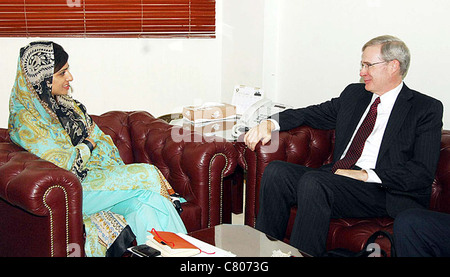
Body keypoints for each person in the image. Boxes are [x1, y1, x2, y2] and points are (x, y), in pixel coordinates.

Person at [244, 35, 443, 256]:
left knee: (315, 181)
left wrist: (367, 175)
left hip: (382, 190)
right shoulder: (354, 95)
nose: (362, 72)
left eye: (368, 65)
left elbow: (421, 173)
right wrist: (270, 122)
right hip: (339, 179)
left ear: (393, 66)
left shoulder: (425, 109)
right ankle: (261, 255)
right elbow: (312, 113)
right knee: (277, 172)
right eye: (362, 64)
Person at [8, 41, 187, 257]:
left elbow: (101, 140)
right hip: (73, 191)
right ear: (42, 79)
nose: (70, 78)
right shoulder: (27, 119)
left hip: (96, 180)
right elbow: (64, 163)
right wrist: (88, 145)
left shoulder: (68, 107)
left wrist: (91, 146)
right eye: (62, 73)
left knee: (148, 203)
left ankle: (186, 258)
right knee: (147, 173)